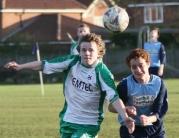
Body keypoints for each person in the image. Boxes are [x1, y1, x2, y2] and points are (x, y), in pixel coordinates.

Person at [4, 33, 135, 138]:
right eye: (83, 50)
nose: (87, 53)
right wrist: (21, 66)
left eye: (91, 50)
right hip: (68, 119)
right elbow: (44, 64)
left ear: (99, 53)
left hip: (89, 123)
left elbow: (114, 98)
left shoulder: (103, 73)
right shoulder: (72, 62)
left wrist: (125, 117)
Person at [108, 48, 168, 138]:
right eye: (134, 67)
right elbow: (111, 107)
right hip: (131, 129)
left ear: (148, 64)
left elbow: (159, 111)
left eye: (141, 65)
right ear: (130, 68)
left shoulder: (159, 84)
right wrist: (126, 109)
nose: (138, 70)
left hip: (154, 129)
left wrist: (148, 119)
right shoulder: (125, 85)